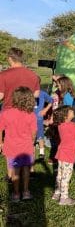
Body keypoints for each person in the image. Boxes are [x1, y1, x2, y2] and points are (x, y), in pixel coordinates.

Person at [0, 48, 40, 181]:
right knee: (29, 140)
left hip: (8, 112)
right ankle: (30, 169)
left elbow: (0, 95)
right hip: (28, 111)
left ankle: (11, 174)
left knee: (10, 142)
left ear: (10, 58)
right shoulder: (33, 75)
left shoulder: (3, 75)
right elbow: (36, 95)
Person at [0, 87, 37, 202]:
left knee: (15, 170)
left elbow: (0, 129)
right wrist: (31, 141)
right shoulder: (31, 115)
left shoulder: (6, 113)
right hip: (26, 146)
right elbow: (34, 132)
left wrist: (0, 142)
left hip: (11, 146)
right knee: (26, 169)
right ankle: (25, 192)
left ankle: (16, 194)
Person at [51, 105, 75, 206]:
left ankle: (57, 193)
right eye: (71, 111)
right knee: (66, 176)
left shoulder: (61, 125)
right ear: (66, 116)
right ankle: (64, 198)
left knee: (60, 175)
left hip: (61, 153)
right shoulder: (71, 126)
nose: (73, 111)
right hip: (68, 155)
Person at [34, 78, 53, 160]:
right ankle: (30, 151)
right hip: (29, 119)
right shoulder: (27, 93)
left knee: (40, 135)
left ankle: (42, 152)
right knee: (29, 135)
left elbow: (51, 101)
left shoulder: (42, 93)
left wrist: (45, 109)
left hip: (39, 118)